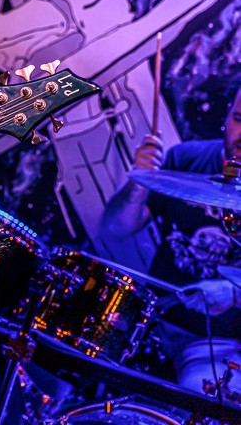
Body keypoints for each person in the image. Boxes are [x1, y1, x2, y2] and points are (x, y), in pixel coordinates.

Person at [102, 81, 241, 394]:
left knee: (199, 392)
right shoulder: (187, 159)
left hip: (223, 343)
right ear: (227, 115)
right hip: (156, 321)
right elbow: (115, 228)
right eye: (239, 118)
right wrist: (139, 179)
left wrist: (234, 293)